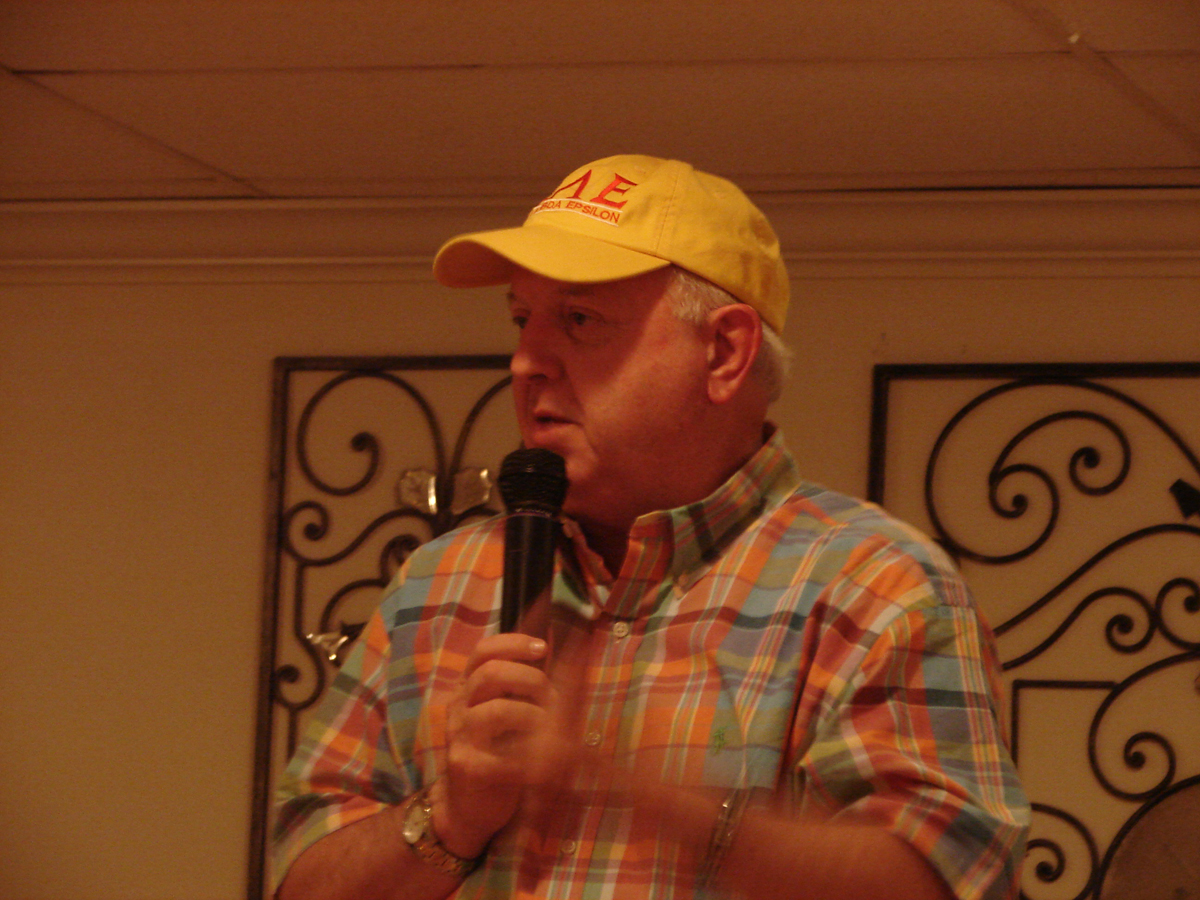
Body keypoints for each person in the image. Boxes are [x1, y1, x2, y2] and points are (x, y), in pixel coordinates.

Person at [272, 154, 1029, 900]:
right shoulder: (436, 586)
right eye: (522, 320)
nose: (525, 362)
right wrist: (451, 815)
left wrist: (638, 793)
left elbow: (945, 880)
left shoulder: (877, 588)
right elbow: (301, 883)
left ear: (724, 353)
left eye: (579, 320)